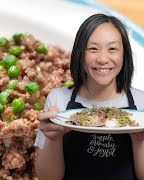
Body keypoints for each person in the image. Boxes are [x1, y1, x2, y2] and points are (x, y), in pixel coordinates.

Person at [34, 13, 144, 180]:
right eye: (93, 49)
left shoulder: (140, 103)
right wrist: (52, 139)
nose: (102, 59)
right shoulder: (58, 100)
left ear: (124, 54)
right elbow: (48, 178)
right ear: (80, 53)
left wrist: (139, 141)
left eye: (112, 49)